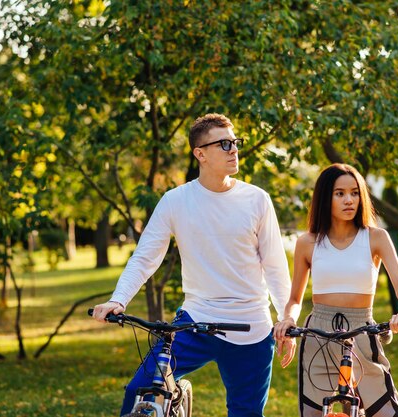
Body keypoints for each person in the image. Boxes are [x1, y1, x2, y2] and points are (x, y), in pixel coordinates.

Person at [92, 113, 292, 417]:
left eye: (235, 142)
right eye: (224, 144)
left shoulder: (256, 200)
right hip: (195, 323)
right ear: (200, 154)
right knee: (140, 391)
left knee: (245, 413)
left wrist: (286, 318)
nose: (234, 149)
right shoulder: (176, 201)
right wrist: (118, 300)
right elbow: (146, 256)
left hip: (251, 327)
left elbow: (276, 267)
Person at [273, 163, 398, 417]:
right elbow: (295, 298)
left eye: (354, 193)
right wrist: (288, 319)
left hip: (362, 330)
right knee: (314, 413)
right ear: (325, 197)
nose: (349, 200)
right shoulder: (307, 243)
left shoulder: (376, 237)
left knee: (387, 412)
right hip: (318, 333)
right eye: (339, 193)